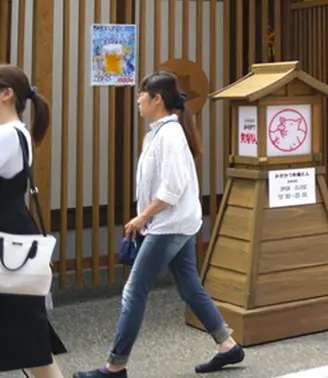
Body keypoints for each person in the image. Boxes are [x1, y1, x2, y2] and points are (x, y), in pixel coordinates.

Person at [74, 72, 244, 377]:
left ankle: (116, 366)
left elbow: (172, 187)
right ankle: (227, 345)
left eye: (142, 94)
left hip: (169, 224)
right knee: (189, 287)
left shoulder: (169, 135)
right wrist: (145, 216)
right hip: (174, 221)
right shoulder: (158, 134)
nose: (138, 99)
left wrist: (143, 216)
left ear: (157, 99)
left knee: (134, 291)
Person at [0, 64, 66, 378]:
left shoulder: (7, 135)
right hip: (13, 239)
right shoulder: (17, 132)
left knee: (28, 338)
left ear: (6, 94)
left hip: (7, 242)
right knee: (27, 336)